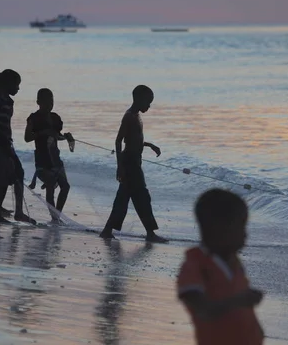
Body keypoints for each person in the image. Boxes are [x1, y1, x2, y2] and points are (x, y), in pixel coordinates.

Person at [177, 189, 264, 345]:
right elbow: (203, 310)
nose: (245, 235)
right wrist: (238, 301)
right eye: (241, 227)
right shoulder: (195, 265)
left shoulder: (234, 263)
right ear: (219, 228)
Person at [99, 85, 167, 243]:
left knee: (127, 198)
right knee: (141, 197)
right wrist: (119, 166)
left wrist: (149, 145)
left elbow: (134, 140)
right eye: (148, 102)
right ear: (139, 99)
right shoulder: (129, 116)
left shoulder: (136, 116)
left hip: (134, 162)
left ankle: (108, 230)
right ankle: (149, 233)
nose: (149, 106)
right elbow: (118, 141)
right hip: (129, 164)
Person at [0, 69, 36, 225]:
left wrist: (5, 138)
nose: (18, 88)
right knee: (4, 176)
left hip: (1, 141)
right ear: (7, 84)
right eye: (16, 84)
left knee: (17, 171)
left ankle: (14, 211)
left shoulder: (6, 99)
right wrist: (0, 134)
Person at [24, 88, 74, 221]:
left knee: (65, 187)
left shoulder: (55, 118)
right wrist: (43, 133)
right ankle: (54, 218)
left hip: (55, 159)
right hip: (42, 160)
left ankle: (57, 215)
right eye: (46, 101)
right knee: (50, 185)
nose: (49, 104)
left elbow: (57, 136)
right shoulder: (33, 118)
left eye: (51, 101)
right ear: (38, 102)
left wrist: (67, 137)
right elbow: (27, 137)